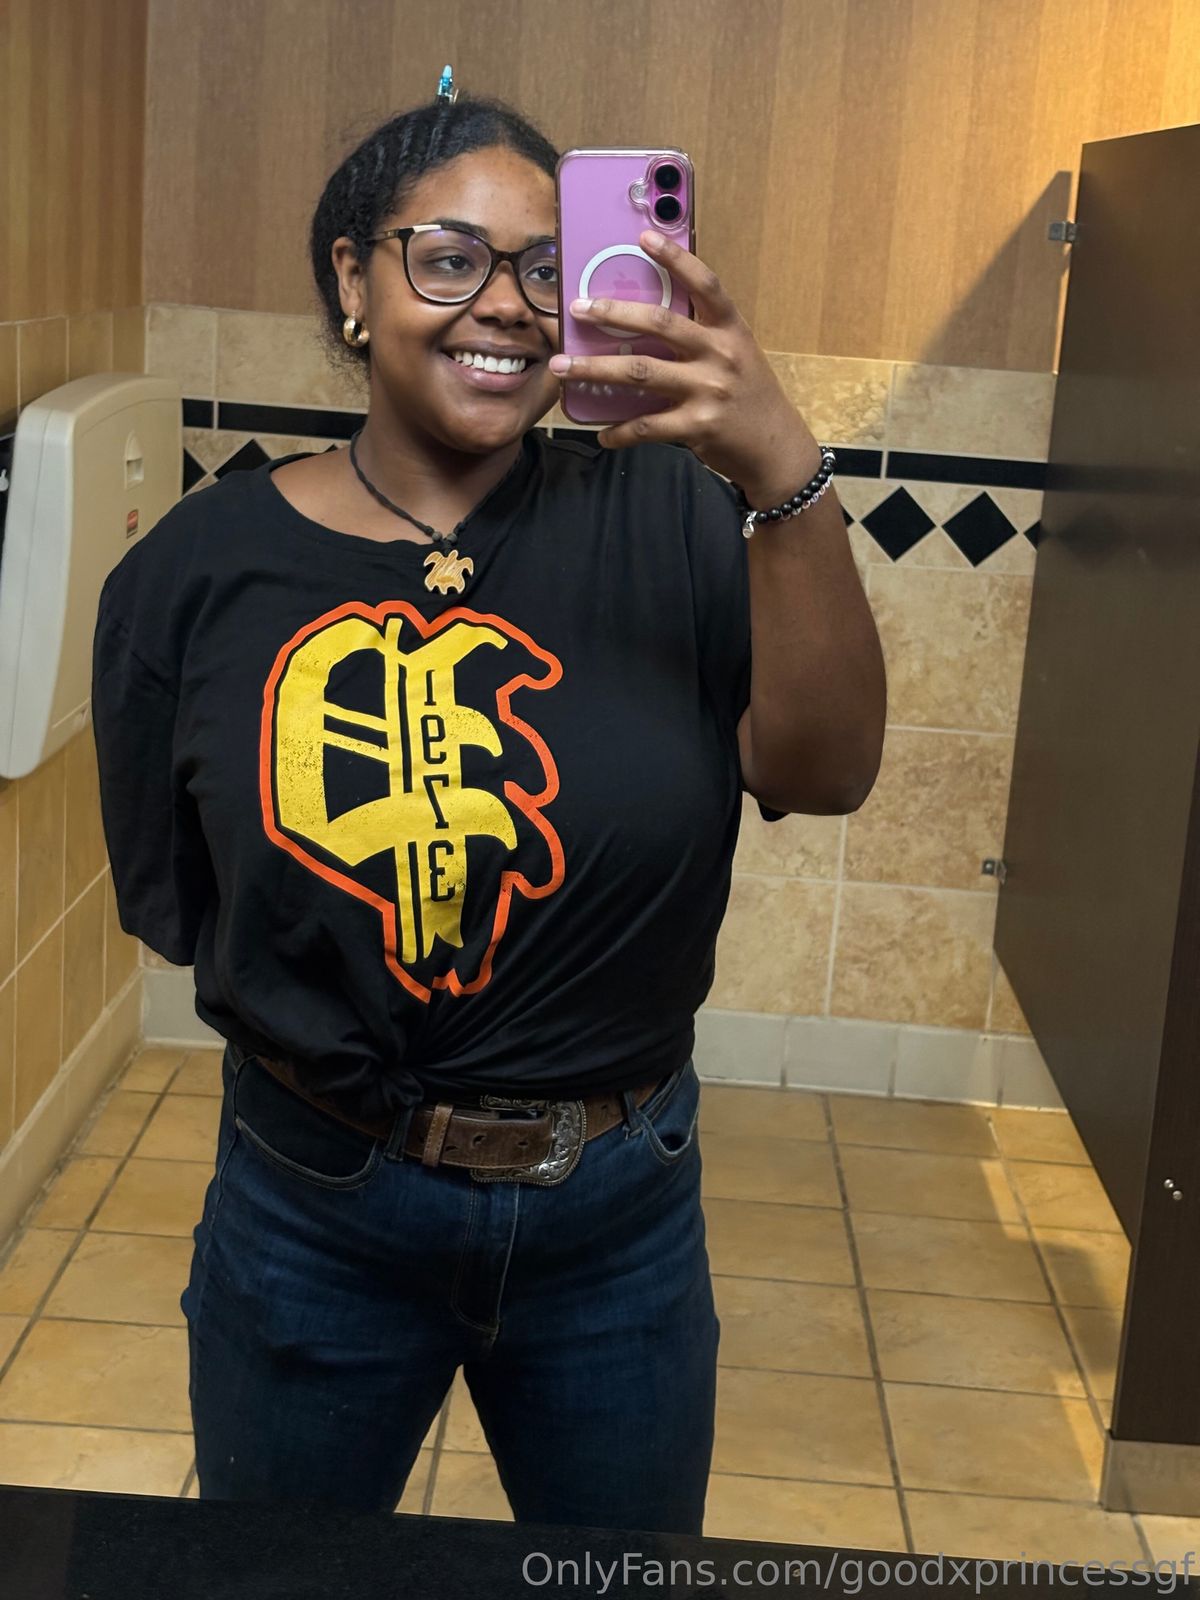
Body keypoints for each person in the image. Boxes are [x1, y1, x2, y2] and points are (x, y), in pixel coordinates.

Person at [91, 91, 885, 1531]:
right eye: (450, 258)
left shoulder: (673, 517)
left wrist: (781, 464)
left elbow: (822, 774)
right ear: (353, 279)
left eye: (544, 268)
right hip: (314, 1208)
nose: (505, 304)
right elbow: (180, 897)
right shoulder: (197, 573)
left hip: (619, 1219)